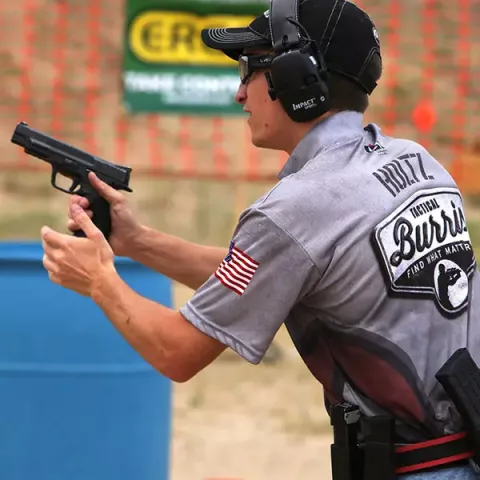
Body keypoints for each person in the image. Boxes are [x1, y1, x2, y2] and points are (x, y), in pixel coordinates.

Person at [40, 0, 480, 478]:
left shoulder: (296, 209)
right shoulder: (418, 163)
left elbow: (177, 351)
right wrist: (138, 241)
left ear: (298, 80)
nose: (239, 94)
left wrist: (98, 279)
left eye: (249, 69)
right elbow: (271, 277)